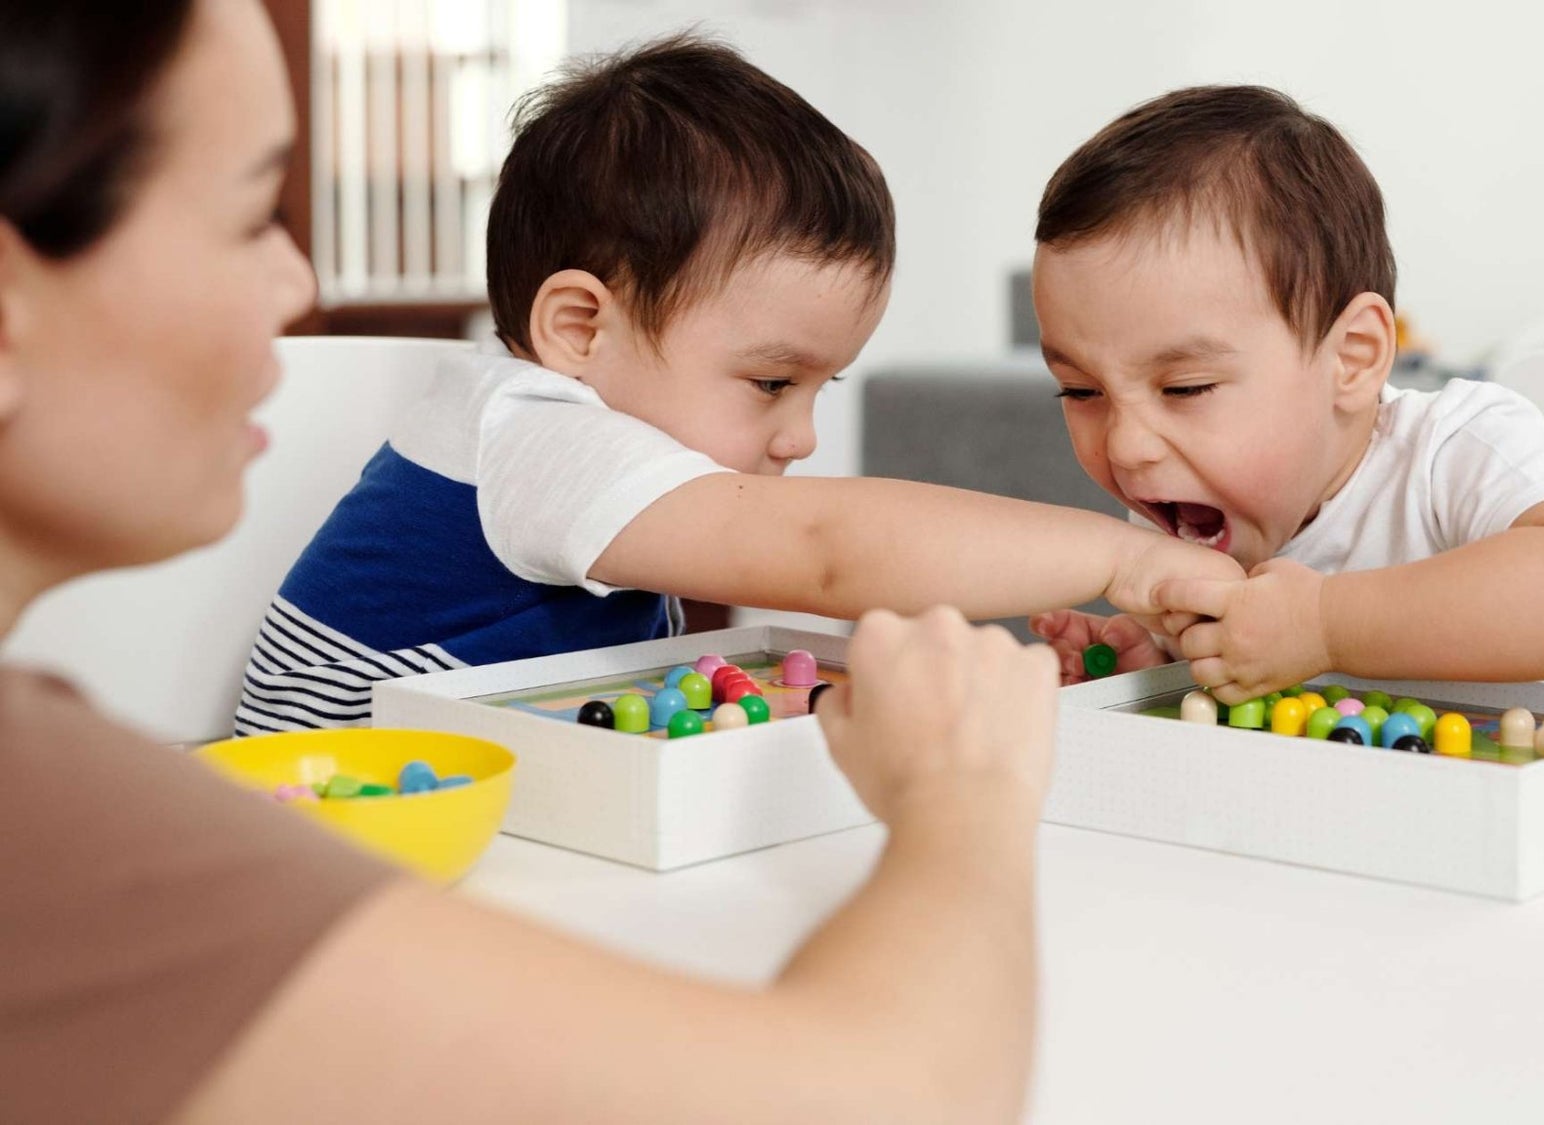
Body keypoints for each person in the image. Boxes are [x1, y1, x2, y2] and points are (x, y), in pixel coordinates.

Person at [0, 3, 1052, 1121]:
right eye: (251, 212)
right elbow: (876, 1098)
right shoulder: (535, 431)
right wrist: (961, 804)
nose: (300, 285)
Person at [232, 33, 1241, 734]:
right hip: (335, 828)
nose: (798, 435)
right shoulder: (533, 434)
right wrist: (1117, 560)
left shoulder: (582, 442)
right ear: (578, 328)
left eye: (820, 386)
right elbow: (827, 553)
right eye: (769, 382)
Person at [1027, 85, 1544, 702]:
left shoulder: (1452, 451)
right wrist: (1156, 669)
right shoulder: (1180, 514)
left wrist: (1323, 626)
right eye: (1080, 391)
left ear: (1351, 359)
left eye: (1186, 388)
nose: (1127, 445)